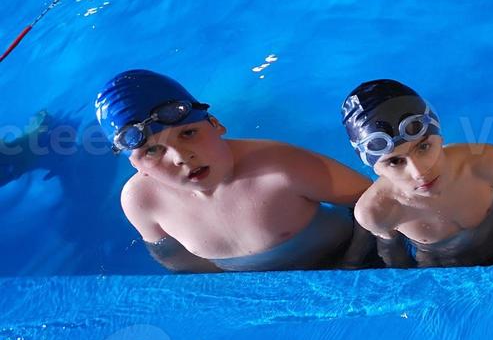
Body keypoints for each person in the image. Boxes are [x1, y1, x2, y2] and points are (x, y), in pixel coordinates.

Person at [100, 69, 374, 272]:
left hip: (353, 256)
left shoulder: (282, 167)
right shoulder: (141, 202)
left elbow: (377, 201)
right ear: (136, 166)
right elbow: (175, 258)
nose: (182, 157)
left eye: (188, 133)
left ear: (216, 125)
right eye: (152, 150)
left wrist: (354, 260)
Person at [343, 80, 493, 268]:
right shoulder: (375, 211)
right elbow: (393, 256)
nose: (419, 172)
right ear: (375, 168)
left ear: (440, 138)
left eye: (424, 147)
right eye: (395, 161)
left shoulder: (488, 163)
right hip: (440, 273)